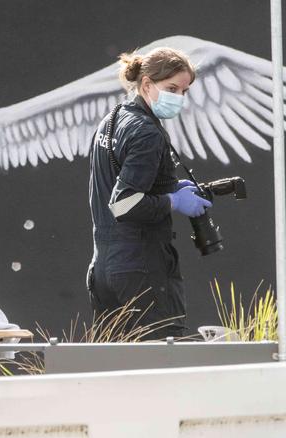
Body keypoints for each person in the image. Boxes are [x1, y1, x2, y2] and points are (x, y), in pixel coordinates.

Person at [87, 47, 211, 339]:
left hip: (103, 269)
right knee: (161, 366)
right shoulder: (147, 132)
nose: (180, 98)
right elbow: (123, 204)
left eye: (185, 91)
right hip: (141, 269)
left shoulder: (112, 119)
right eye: (172, 89)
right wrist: (173, 200)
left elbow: (117, 187)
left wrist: (169, 187)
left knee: (113, 372)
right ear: (146, 84)